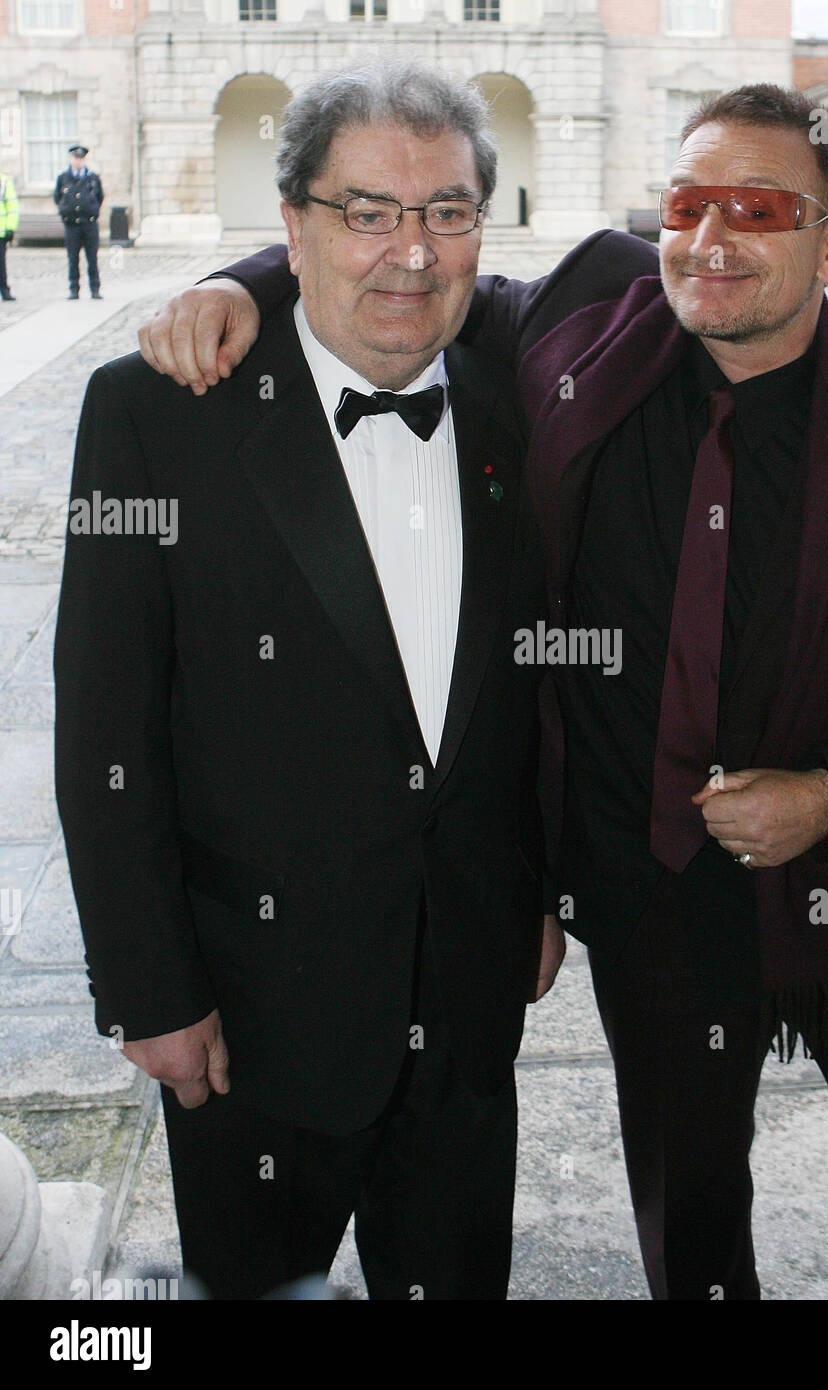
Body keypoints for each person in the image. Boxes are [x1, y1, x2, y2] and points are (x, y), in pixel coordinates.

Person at [138, 82, 828, 1301]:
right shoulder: (592, 317)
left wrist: (827, 796)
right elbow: (402, 258)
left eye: (756, 208)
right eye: (687, 202)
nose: (709, 238)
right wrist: (244, 283)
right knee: (692, 1213)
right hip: (645, 891)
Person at [55, 60, 564, 1302]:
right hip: (249, 1013)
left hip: (466, 993)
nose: (408, 252)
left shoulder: (527, 388)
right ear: (291, 225)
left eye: (444, 211)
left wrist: (536, 887)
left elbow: (528, 694)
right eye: (364, 212)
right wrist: (148, 990)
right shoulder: (155, 415)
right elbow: (104, 726)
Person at [54, 144, 102, 300]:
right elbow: (57, 198)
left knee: (92, 257)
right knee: (73, 258)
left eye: (81, 158)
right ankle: (74, 289)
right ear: (71, 159)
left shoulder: (92, 178)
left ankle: (95, 288)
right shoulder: (63, 178)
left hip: (89, 223)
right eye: (76, 158)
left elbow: (100, 197)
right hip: (72, 224)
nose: (78, 161)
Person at [0, 170, 17, 301]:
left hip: (1, 232)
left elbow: (12, 206)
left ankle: (4, 290)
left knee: (1, 265)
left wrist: (11, 228)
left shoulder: (4, 180)